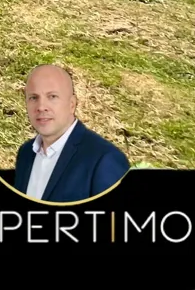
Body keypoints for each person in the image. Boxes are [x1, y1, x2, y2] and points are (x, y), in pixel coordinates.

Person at [13, 64, 129, 201]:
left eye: (52, 96)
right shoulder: (26, 153)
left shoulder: (104, 159)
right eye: (33, 98)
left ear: (72, 104)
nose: (41, 107)